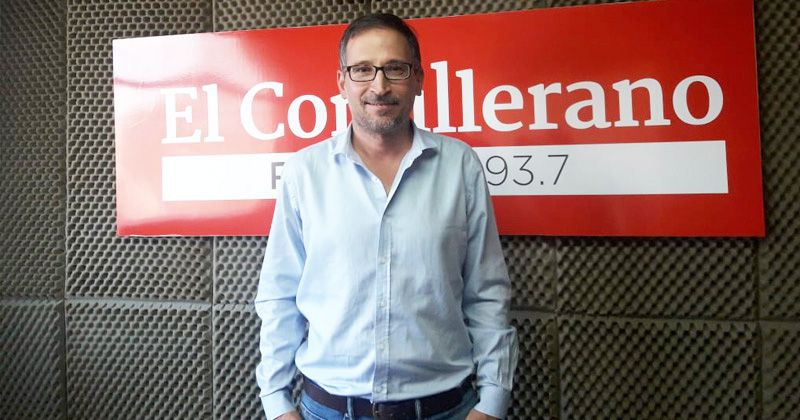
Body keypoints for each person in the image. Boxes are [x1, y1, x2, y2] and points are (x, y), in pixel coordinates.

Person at [255, 13, 518, 420]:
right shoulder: (304, 172)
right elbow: (279, 294)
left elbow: (487, 292)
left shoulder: (460, 166)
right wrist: (276, 403)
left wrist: (493, 402)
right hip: (326, 409)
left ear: (419, 79)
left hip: (447, 409)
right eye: (362, 70)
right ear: (342, 81)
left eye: (395, 69)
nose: (379, 86)